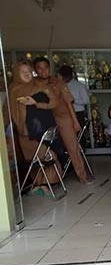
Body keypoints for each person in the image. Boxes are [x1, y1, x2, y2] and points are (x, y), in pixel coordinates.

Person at [33, 57, 91, 184]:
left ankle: (82, 175)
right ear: (35, 70)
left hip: (63, 117)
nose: (43, 71)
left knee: (72, 146)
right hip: (44, 118)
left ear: (49, 68)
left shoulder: (58, 82)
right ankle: (48, 179)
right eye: (39, 68)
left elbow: (69, 103)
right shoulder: (33, 84)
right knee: (45, 147)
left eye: (46, 68)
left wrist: (75, 121)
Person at [7, 61, 62, 197]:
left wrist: (35, 103)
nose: (27, 75)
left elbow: (54, 102)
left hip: (39, 129)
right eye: (23, 72)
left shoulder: (38, 87)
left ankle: (45, 184)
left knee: (46, 156)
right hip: (22, 132)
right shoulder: (13, 89)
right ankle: (38, 185)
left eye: (29, 72)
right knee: (31, 158)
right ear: (16, 74)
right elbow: (5, 110)